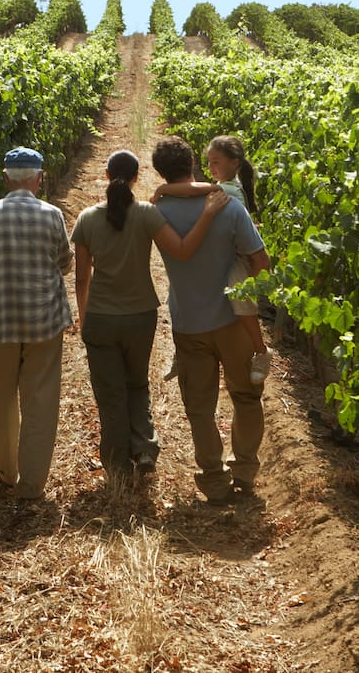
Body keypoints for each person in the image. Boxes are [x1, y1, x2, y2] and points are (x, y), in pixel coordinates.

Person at [70, 150, 229, 482]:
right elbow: (183, 249)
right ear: (137, 177)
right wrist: (206, 214)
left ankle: (116, 466)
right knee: (137, 384)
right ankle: (144, 450)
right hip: (140, 315)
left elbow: (82, 279)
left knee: (110, 393)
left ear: (105, 173)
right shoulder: (146, 214)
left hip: (101, 316)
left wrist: (84, 321)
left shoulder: (86, 219)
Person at [150, 135, 271, 506]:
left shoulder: (153, 212)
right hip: (233, 322)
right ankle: (245, 473)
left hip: (189, 323)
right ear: (194, 165)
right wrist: (251, 297)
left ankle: (214, 480)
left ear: (161, 173)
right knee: (246, 398)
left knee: (199, 407)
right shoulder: (228, 207)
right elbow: (261, 261)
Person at [0, 146, 73, 500]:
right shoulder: (52, 215)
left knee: (2, 397)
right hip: (44, 322)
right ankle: (32, 484)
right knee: (40, 400)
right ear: (38, 178)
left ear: (6, 178)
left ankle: (8, 472)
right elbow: (65, 262)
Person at [152, 134, 273, 383]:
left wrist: (163, 190)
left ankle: (261, 351)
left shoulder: (223, 191)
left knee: (241, 301)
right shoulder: (228, 190)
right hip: (238, 254)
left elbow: (196, 188)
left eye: (216, 162)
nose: (210, 169)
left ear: (235, 163)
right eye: (208, 162)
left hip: (239, 259)